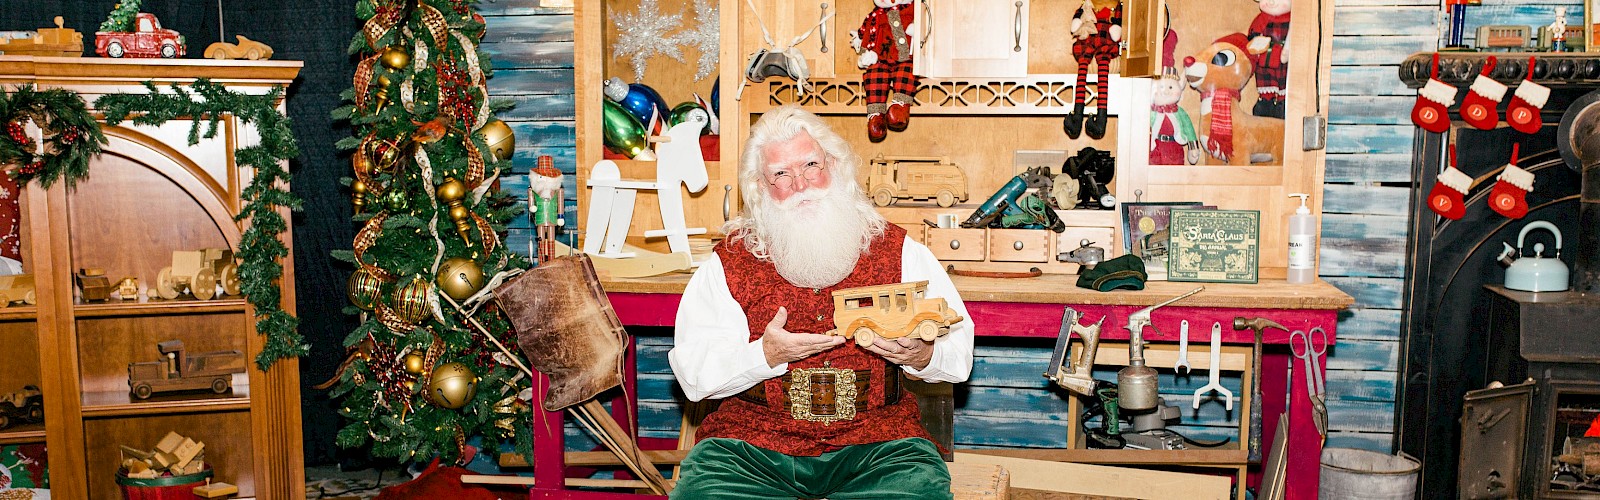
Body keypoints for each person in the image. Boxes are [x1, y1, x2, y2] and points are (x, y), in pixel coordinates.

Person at [668, 105, 975, 500]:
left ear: (835, 164)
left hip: (880, 448)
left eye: (811, 164)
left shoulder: (899, 250)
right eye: (780, 173)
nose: (800, 184)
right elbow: (694, 376)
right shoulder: (729, 262)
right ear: (760, 186)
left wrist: (923, 354)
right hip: (750, 449)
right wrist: (764, 354)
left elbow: (960, 352)